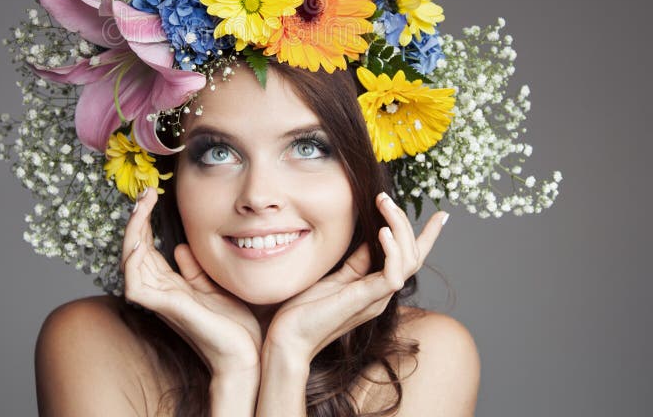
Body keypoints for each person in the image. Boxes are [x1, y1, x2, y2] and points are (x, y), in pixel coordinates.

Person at [34, 61, 480, 416]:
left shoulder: (430, 357)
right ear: (166, 180)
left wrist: (288, 357)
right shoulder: (90, 342)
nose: (258, 196)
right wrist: (234, 374)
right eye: (218, 153)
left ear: (366, 176)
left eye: (308, 148)